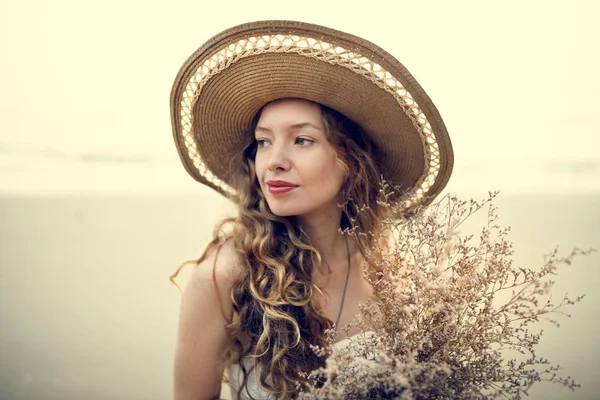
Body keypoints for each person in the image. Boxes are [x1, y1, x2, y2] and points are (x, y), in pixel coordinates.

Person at [168, 20, 454, 400]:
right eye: (263, 142)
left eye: (302, 140)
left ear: (351, 159)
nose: (274, 162)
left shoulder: (392, 277)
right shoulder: (226, 276)